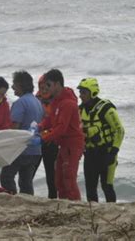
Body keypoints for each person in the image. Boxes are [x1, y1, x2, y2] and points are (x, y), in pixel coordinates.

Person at [39, 69, 84, 201]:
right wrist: (40, 126)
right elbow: (50, 119)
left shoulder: (68, 103)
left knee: (69, 178)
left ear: (57, 84)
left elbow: (61, 128)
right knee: (59, 179)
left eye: (49, 85)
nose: (46, 89)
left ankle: (75, 205)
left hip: (72, 145)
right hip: (63, 145)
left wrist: (43, 138)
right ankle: (64, 204)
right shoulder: (56, 101)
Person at [77, 78, 125, 203]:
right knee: (90, 188)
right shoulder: (80, 110)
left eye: (84, 92)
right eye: (80, 92)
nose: (81, 96)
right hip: (90, 154)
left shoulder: (106, 109)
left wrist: (113, 152)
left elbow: (119, 130)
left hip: (107, 153)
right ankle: (93, 213)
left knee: (107, 186)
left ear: (93, 92)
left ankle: (112, 211)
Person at [0, 71, 43, 195]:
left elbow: (15, 127)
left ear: (21, 85)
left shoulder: (20, 103)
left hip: (21, 149)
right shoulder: (37, 102)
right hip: (35, 149)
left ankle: (11, 198)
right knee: (26, 181)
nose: (12, 87)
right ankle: (28, 201)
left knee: (6, 177)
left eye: (14, 84)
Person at [36, 74, 59, 199]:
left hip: (51, 142)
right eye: (41, 87)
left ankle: (53, 198)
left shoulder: (57, 101)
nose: (44, 89)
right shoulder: (36, 99)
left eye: (47, 87)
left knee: (51, 174)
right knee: (30, 173)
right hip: (37, 141)